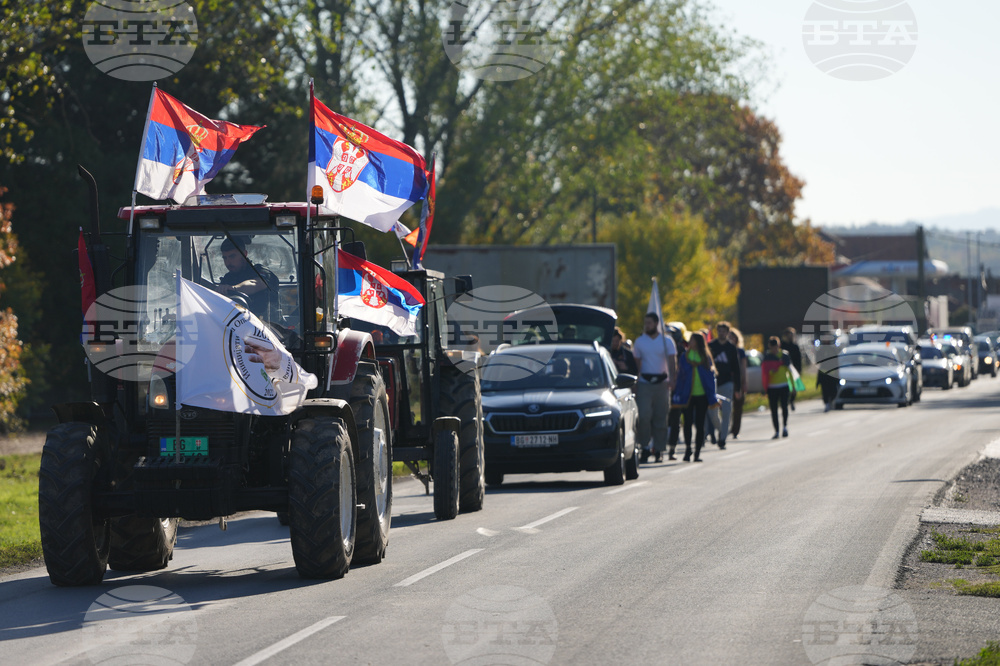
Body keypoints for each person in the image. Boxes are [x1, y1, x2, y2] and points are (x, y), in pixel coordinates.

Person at [632, 312, 678, 463]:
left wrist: (673, 379)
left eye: (649, 323)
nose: (647, 326)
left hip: (662, 383)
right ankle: (644, 447)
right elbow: (637, 364)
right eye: (645, 323)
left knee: (661, 417)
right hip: (645, 382)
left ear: (656, 324)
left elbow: (672, 362)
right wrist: (635, 384)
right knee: (644, 416)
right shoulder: (639, 342)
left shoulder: (667, 341)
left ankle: (659, 449)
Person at [674, 331, 718, 462]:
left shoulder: (705, 357)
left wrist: (712, 395)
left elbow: (710, 378)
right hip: (688, 395)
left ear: (698, 342)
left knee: (700, 424)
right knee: (687, 423)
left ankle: (697, 452)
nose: (690, 342)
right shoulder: (684, 357)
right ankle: (688, 449)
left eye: (692, 340)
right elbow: (681, 376)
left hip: (702, 395)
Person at [217, 236, 279, 319]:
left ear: (244, 254)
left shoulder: (260, 271)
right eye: (225, 258)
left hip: (267, 326)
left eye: (232, 256)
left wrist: (234, 288)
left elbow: (257, 283)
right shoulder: (227, 279)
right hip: (236, 325)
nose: (228, 262)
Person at [708, 321, 741, 450]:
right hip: (714, 383)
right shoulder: (711, 346)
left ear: (727, 333)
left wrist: (738, 388)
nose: (721, 333)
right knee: (713, 413)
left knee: (727, 411)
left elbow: (737, 369)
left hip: (727, 383)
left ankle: (722, 439)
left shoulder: (731, 348)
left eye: (723, 331)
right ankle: (722, 430)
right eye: (719, 331)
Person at [762, 336, 795, 438]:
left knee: (784, 407)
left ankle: (784, 427)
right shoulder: (767, 357)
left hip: (784, 386)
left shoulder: (785, 356)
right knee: (774, 410)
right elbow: (764, 373)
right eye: (772, 348)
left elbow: (790, 371)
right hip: (772, 387)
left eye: (775, 347)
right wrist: (765, 387)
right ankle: (776, 431)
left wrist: (793, 386)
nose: (774, 350)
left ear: (779, 346)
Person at [781, 327, 803, 411]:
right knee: (786, 387)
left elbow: (798, 359)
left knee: (794, 388)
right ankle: (786, 401)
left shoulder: (795, 346)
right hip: (784, 369)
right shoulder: (782, 346)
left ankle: (792, 400)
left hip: (794, 369)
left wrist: (799, 370)